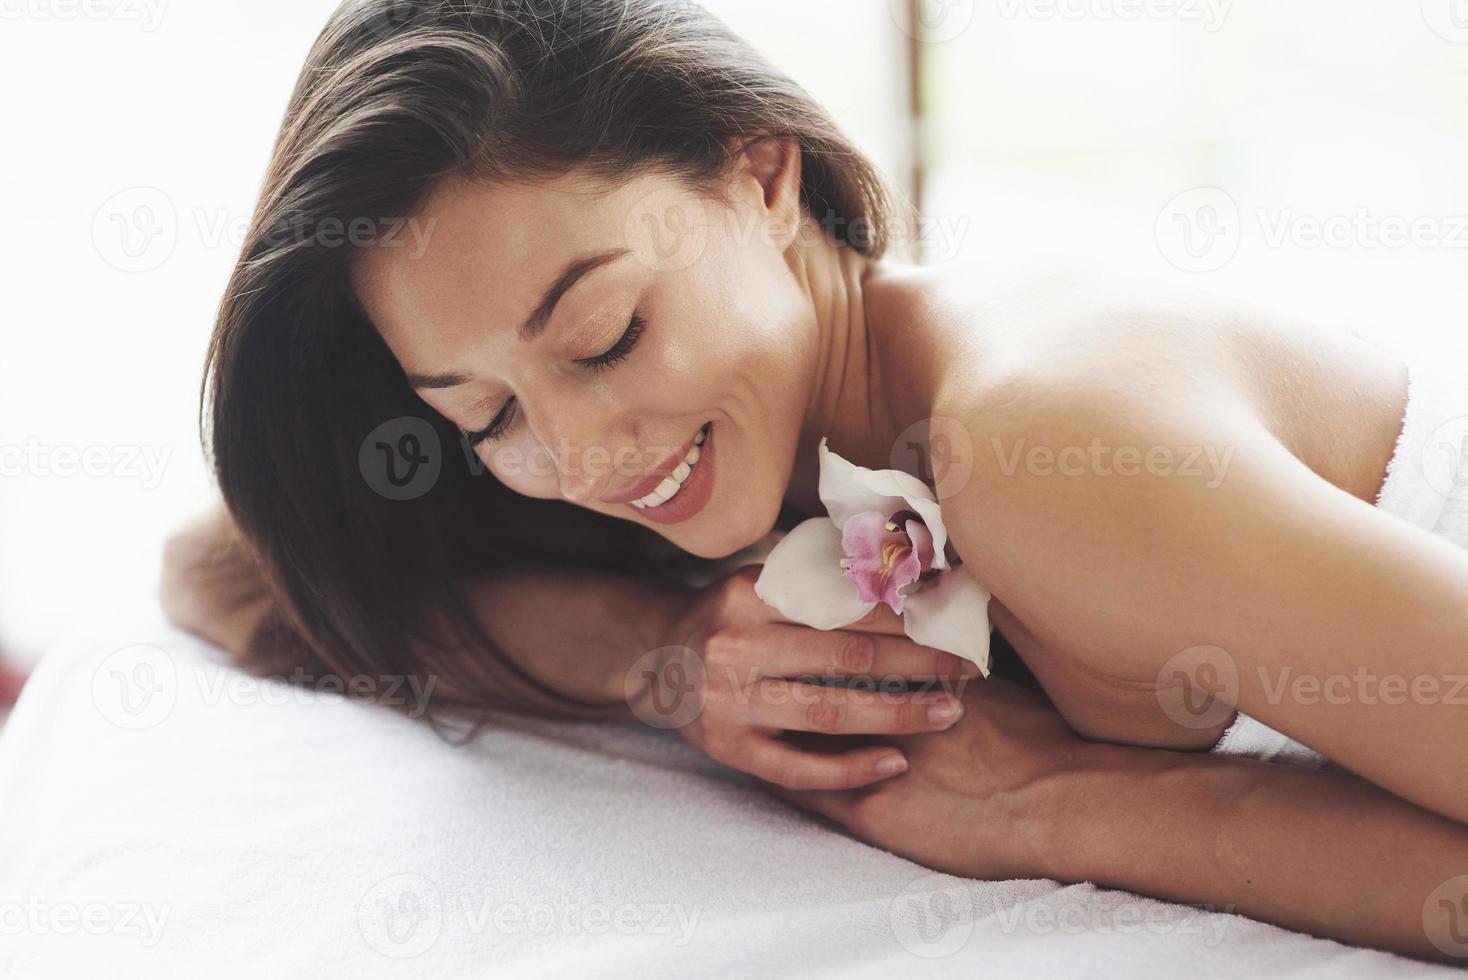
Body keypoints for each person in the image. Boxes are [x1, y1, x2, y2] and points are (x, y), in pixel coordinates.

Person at [162, 0, 1468, 962]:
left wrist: (1059, 809)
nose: (590, 457)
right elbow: (220, 562)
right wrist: (669, 652)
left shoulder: (1026, 445)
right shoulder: (806, 453)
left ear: (761, 173)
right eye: (486, 413)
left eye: (608, 335)